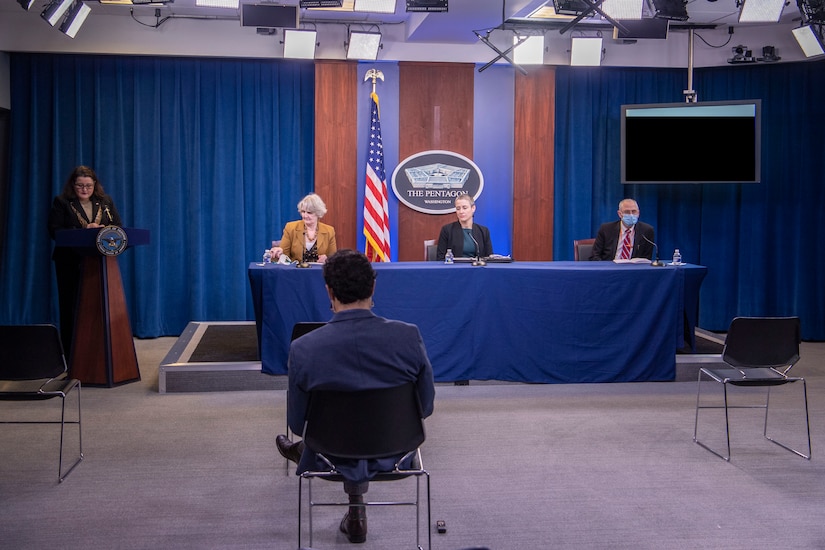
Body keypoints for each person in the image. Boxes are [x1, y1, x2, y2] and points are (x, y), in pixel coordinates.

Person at [275, 249, 435, 544]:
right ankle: (355, 508)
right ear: (373, 287)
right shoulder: (408, 336)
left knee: (320, 438)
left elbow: (298, 423)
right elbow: (424, 406)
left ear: (329, 291)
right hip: (398, 452)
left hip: (327, 455)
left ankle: (352, 504)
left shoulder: (304, 348)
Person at [47, 165, 123, 355]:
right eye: (80, 185)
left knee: (99, 306)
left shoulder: (104, 202)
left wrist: (101, 229)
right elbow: (55, 230)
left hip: (100, 262)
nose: (84, 189)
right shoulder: (62, 202)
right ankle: (71, 353)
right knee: (71, 307)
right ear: (73, 185)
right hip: (69, 262)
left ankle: (98, 351)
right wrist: (83, 232)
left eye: (88, 186)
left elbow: (118, 227)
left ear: (95, 185)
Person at [270, 193, 337, 264]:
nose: (305, 215)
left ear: (318, 213)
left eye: (309, 213)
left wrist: (326, 259)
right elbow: (284, 255)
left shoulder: (329, 231)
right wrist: (278, 253)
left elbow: (333, 259)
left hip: (319, 273)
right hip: (296, 272)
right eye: (303, 212)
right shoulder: (290, 228)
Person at [590, 198, 655, 261]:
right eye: (627, 212)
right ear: (620, 214)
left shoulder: (647, 230)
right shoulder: (606, 229)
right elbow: (595, 255)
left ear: (638, 213)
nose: (631, 215)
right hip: (610, 268)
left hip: (633, 269)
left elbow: (646, 259)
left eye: (634, 211)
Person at [436, 193, 493, 261]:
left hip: (477, 269)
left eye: (464, 208)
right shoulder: (447, 230)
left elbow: (489, 257)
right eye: (458, 208)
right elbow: (440, 258)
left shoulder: (483, 231)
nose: (461, 211)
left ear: (473, 208)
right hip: (454, 269)